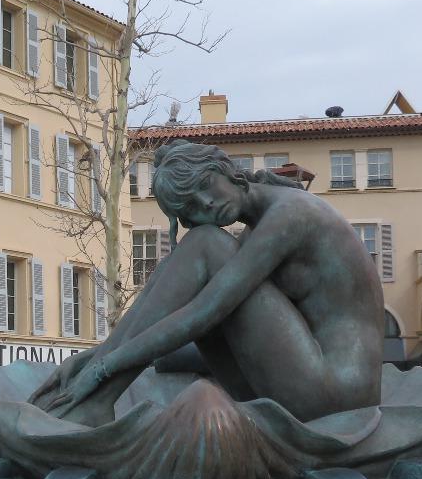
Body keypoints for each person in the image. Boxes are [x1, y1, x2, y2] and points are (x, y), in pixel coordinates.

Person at [32, 139, 384, 426]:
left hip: (336, 396)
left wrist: (105, 369)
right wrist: (96, 356)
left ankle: (99, 397)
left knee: (205, 244)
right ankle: (93, 396)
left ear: (225, 170)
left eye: (204, 185)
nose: (206, 203)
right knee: (184, 275)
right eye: (190, 206)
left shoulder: (292, 214)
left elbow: (205, 311)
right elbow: (195, 314)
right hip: (308, 385)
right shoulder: (253, 234)